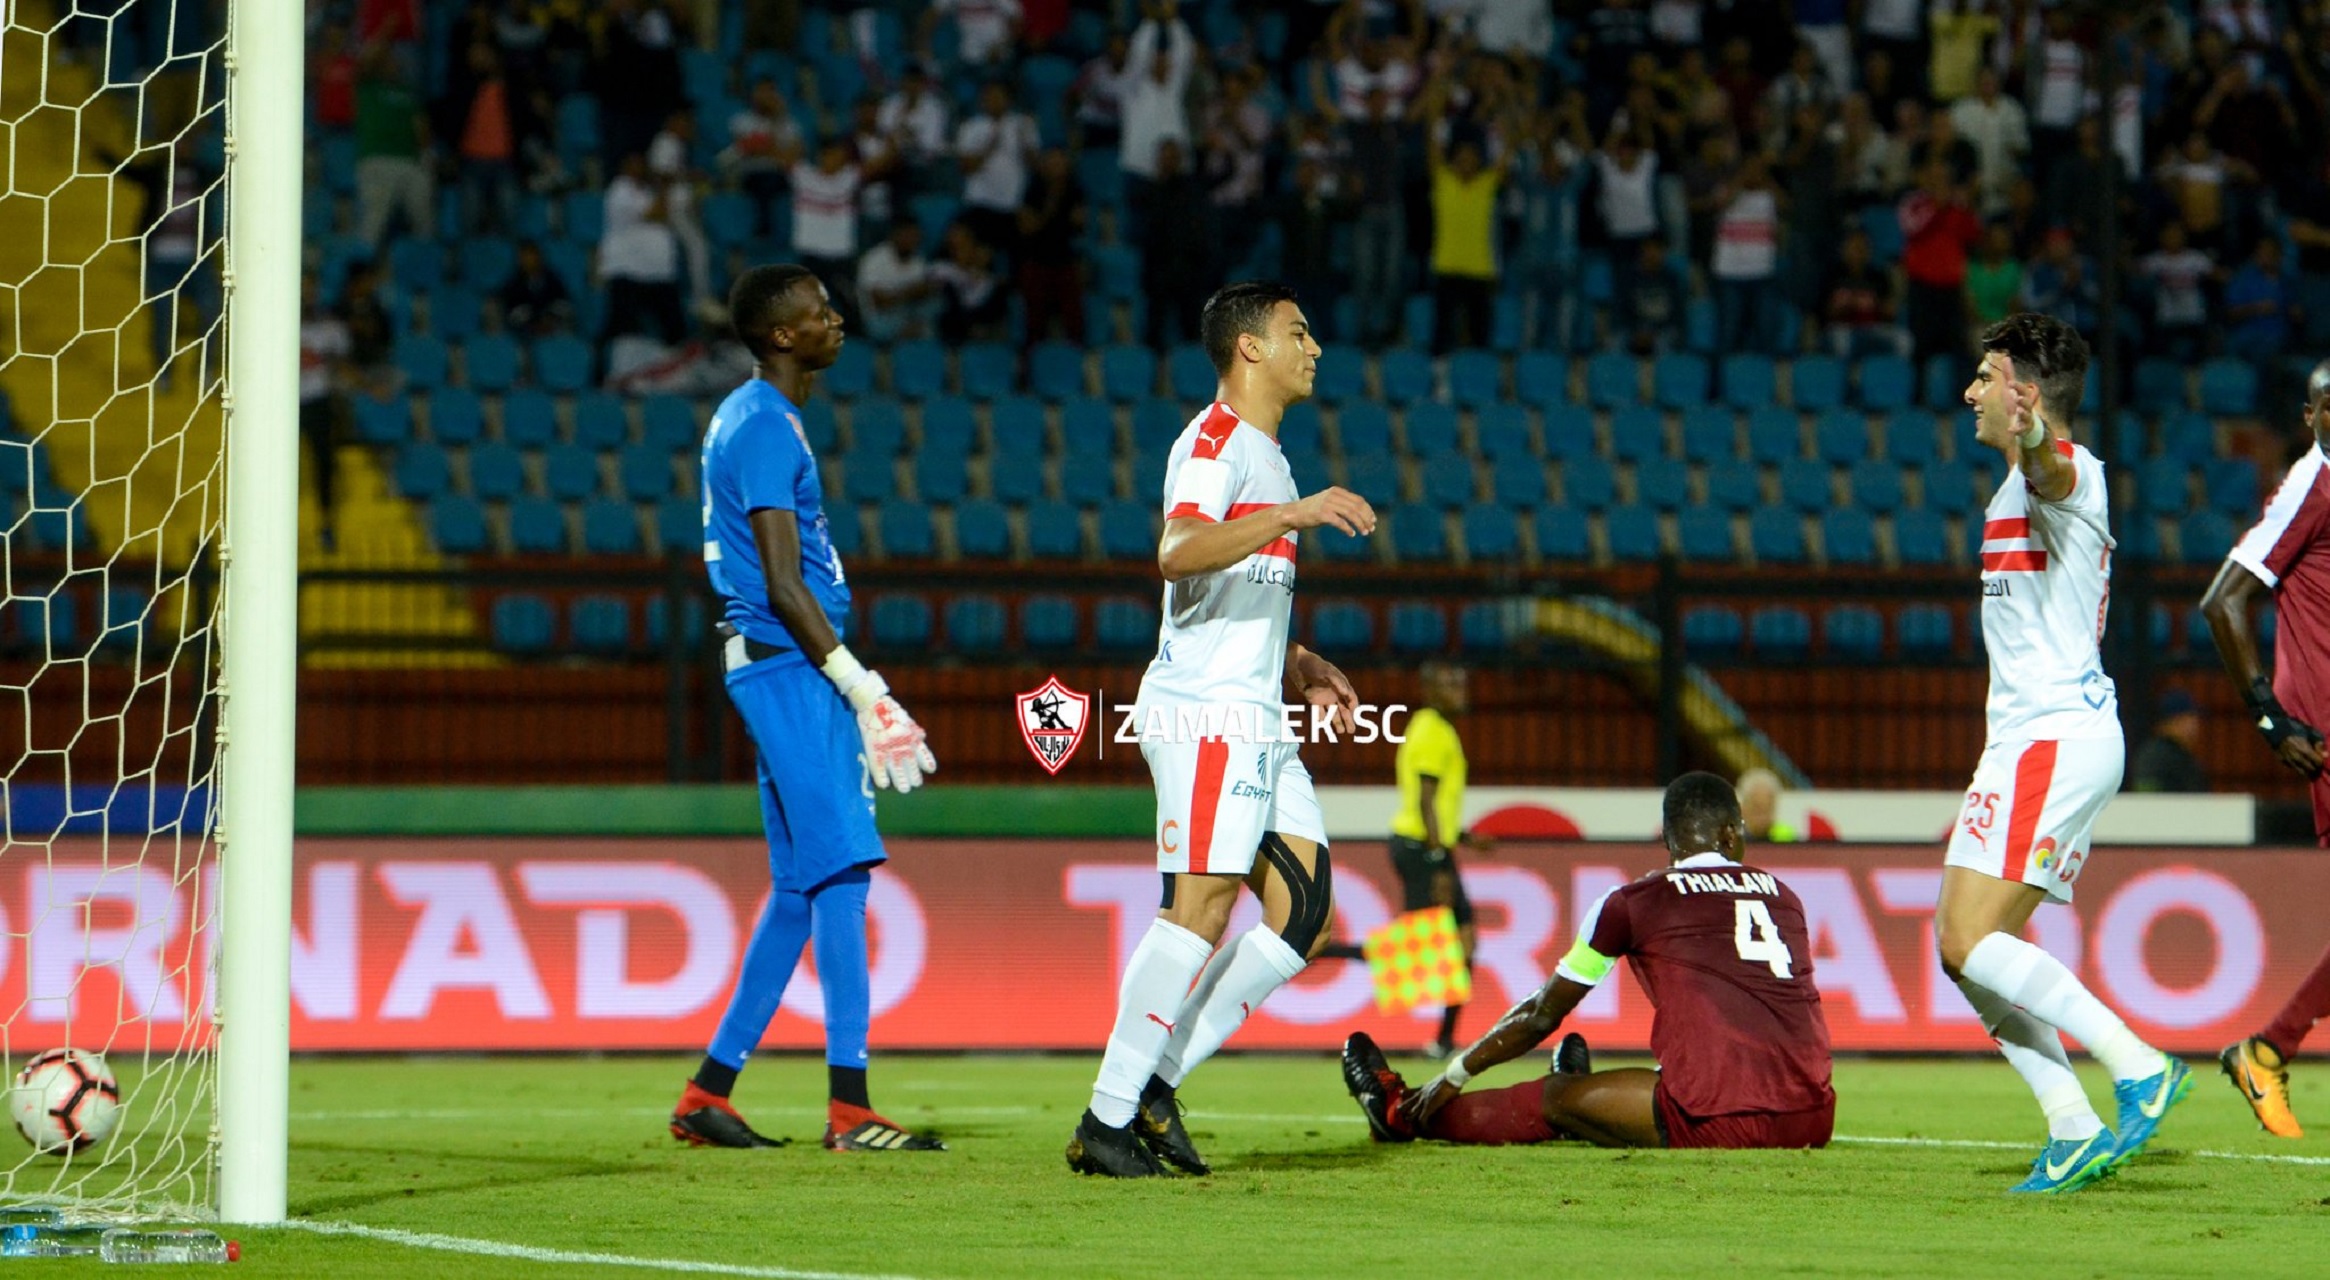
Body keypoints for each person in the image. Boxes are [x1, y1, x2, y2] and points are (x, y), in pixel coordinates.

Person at [1065, 282, 1379, 1179]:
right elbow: (1178, 549)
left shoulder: (1270, 458)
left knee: (1306, 916)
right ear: (1249, 348)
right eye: (1298, 329)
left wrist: (1299, 661)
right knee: (1197, 910)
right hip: (1205, 711)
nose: (1314, 346)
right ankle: (1106, 1120)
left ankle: (1152, 1086)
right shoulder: (1214, 442)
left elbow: (1229, 590)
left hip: (1256, 709)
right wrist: (1288, 515)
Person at [668, 264, 944, 1155]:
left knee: (799, 889)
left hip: (782, 669)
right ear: (781, 336)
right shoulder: (762, 427)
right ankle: (850, 1107)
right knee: (846, 877)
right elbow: (784, 583)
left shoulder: (763, 419)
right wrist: (864, 687)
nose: (835, 320)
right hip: (791, 669)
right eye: (817, 313)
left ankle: (708, 1092)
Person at [1940, 313, 2190, 1194]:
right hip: (2024, 739)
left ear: (2024, 393)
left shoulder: (2071, 474)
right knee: (1960, 946)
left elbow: (2050, 461)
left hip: (2054, 736)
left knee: (1971, 937)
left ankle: (2137, 1066)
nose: (1969, 392)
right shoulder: (2011, 488)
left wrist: (2035, 432)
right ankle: (2073, 1123)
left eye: (1985, 376)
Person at [1340, 772, 1835, 1151]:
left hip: (1720, 1120)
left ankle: (1399, 1112)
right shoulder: (1784, 897)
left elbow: (1542, 1014)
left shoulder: (1636, 901)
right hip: (1812, 1116)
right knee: (1639, 1085)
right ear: (1731, 837)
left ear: (1669, 840)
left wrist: (1453, 1074)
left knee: (1553, 1098)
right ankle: (1585, 1096)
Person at [2200, 357, 2330, 1140]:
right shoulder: (2312, 486)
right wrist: (2269, 719)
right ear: (2312, 417)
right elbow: (2223, 602)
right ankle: (2267, 1047)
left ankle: (2267, 1047)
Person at [1390, 663, 1488, 1058]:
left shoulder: (1438, 728)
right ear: (1428, 687)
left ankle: (1444, 1041)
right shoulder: (1431, 730)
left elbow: (1433, 801)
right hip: (1421, 850)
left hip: (1430, 846)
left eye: (1461, 679)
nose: (1460, 687)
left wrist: (1459, 836)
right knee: (1417, 949)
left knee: (1463, 945)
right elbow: (1424, 798)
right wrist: (1436, 857)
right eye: (1450, 680)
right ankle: (1319, 955)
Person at [2126, 689, 2211, 794]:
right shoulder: (2155, 755)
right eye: (2187, 719)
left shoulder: (2182, 755)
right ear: (2171, 721)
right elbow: (2147, 795)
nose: (2194, 725)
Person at [1736, 766, 1799, 842]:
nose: (1762, 817)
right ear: (1743, 808)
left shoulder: (1787, 837)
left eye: (1766, 809)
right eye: (1756, 809)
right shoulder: (1733, 839)